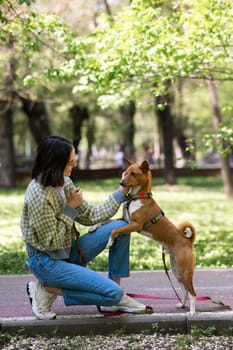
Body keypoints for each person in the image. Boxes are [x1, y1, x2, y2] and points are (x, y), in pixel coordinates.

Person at [20, 135, 149, 320]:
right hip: (47, 261)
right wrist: (70, 208)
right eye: (70, 162)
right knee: (112, 294)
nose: (74, 165)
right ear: (55, 163)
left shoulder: (64, 182)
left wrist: (121, 194)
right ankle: (46, 289)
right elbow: (51, 242)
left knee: (121, 227)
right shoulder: (38, 195)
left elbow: (90, 216)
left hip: (67, 251)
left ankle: (116, 292)